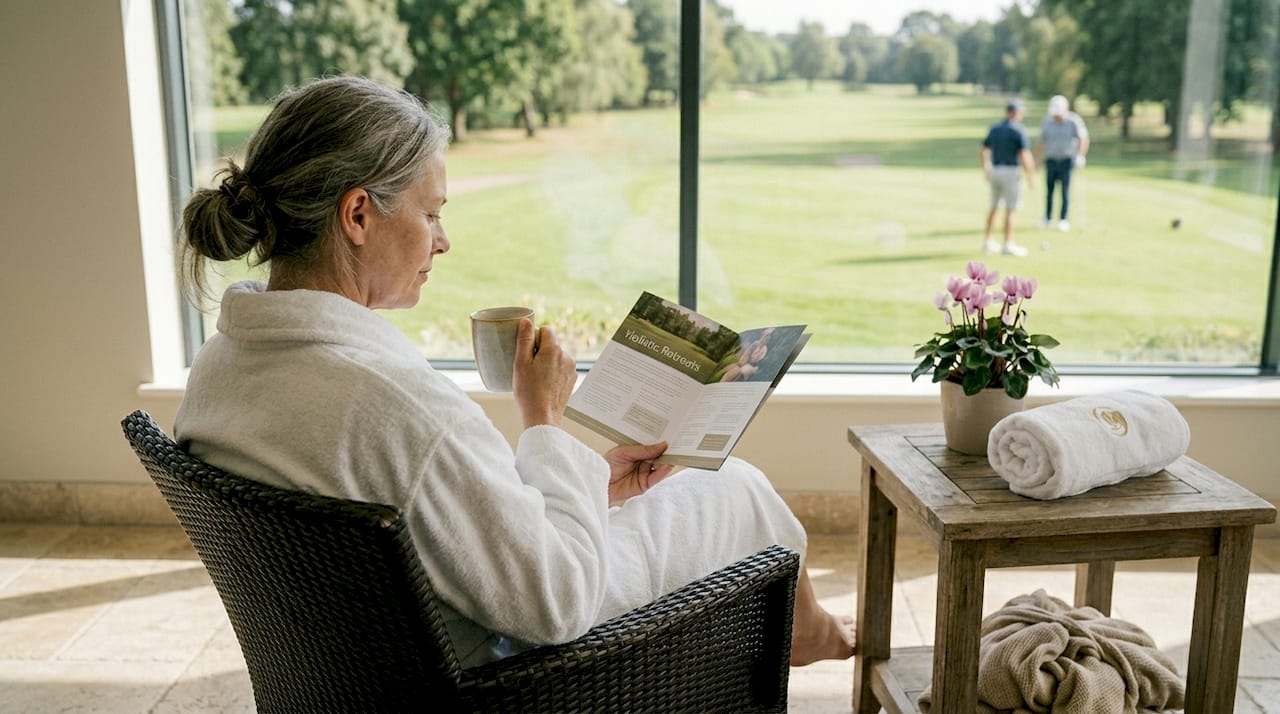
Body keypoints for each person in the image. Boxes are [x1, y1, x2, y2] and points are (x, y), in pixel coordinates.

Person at [173, 75, 855, 670]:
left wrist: (595, 487)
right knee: (733, 487)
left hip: (366, 664)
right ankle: (813, 633)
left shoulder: (223, 366)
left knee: (679, 496)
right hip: (500, 674)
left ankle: (809, 630)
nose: (443, 239)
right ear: (357, 214)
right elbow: (552, 605)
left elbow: (449, 516)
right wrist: (545, 421)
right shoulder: (394, 404)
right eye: (431, 212)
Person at [980, 99, 1036, 257]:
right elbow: (1024, 154)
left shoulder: (995, 129)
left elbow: (983, 149)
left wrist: (986, 168)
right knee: (1011, 209)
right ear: (1015, 113)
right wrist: (1030, 174)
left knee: (993, 207)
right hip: (1011, 172)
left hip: (995, 170)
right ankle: (1008, 244)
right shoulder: (1018, 130)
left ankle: (988, 241)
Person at [1036, 94, 1090, 233]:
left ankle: (1063, 219)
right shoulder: (1047, 122)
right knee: (1049, 191)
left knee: (1065, 191)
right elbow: (1041, 142)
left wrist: (1080, 156)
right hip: (1051, 159)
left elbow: (1083, 139)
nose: (1056, 117)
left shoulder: (1073, 121)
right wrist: (1037, 160)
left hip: (1067, 160)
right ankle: (1047, 218)